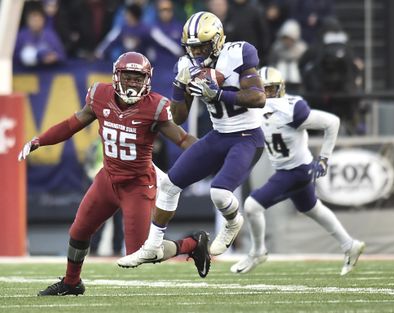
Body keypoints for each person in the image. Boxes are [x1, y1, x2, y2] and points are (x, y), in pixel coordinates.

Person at [18, 52, 211, 296]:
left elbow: (182, 138)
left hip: (138, 185)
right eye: (128, 77)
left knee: (142, 252)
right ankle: (71, 282)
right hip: (107, 179)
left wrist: (211, 151)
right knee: (78, 231)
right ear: (116, 76)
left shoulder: (154, 107)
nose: (132, 83)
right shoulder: (100, 96)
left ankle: (192, 243)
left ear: (147, 80)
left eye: (137, 78)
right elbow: (71, 124)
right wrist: (39, 140)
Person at [117, 11, 266, 268]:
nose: (196, 53)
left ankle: (232, 222)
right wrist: (181, 87)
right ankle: (151, 246)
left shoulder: (239, 54)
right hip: (219, 135)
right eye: (192, 48)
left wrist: (219, 95)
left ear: (217, 40)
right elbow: (177, 116)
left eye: (202, 47)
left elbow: (258, 97)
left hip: (247, 136)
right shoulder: (186, 65)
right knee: (169, 185)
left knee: (219, 192)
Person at [230, 67, 365, 276]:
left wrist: (325, 158)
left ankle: (257, 251)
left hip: (296, 171)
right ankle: (350, 245)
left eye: (272, 90)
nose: (268, 96)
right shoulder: (252, 110)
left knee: (252, 206)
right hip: (290, 169)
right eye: (263, 91)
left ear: (281, 89)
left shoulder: (290, 108)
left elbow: (332, 122)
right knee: (313, 209)